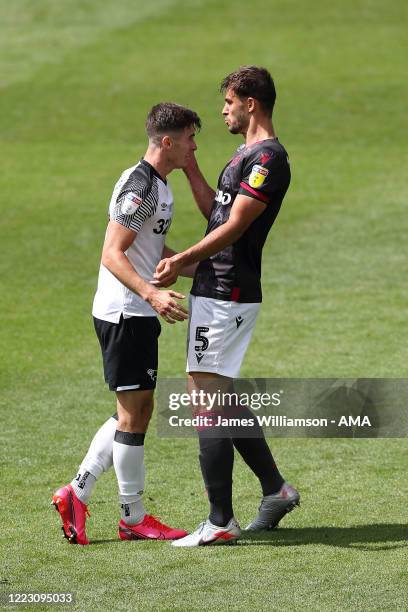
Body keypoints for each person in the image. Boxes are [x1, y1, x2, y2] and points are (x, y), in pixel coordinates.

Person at [154, 67, 300, 547]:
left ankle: (219, 520)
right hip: (217, 287)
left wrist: (182, 259)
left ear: (251, 104)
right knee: (220, 396)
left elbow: (235, 226)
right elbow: (215, 213)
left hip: (228, 292)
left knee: (205, 400)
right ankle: (276, 490)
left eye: (230, 102)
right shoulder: (242, 156)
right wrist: (192, 168)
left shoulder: (268, 159)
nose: (224, 110)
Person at [52, 103, 201, 545]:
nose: (195, 146)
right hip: (125, 312)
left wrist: (191, 264)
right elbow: (112, 253)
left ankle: (77, 493)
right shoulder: (141, 186)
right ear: (168, 142)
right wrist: (151, 293)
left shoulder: (157, 184)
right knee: (134, 415)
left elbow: (149, 247)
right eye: (190, 138)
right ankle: (130, 516)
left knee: (134, 410)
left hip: (131, 312)